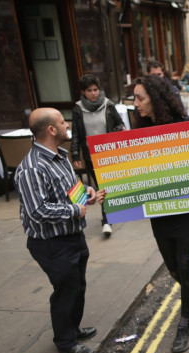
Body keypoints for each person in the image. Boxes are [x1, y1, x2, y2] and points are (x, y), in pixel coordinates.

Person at [14, 108, 106, 353]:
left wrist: (86, 193)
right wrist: (75, 209)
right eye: (62, 122)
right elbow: (37, 210)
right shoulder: (32, 168)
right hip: (51, 243)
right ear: (51, 130)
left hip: (72, 235)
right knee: (65, 291)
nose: (67, 125)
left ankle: (73, 329)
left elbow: (70, 189)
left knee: (77, 287)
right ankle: (65, 341)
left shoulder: (60, 155)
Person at [132, 75, 189, 353]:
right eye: (134, 98)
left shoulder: (184, 127)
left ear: (156, 99)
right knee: (173, 267)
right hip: (160, 214)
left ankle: (184, 323)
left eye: (140, 98)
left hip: (186, 213)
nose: (135, 104)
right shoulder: (141, 130)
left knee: (185, 266)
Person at [70, 74, 125, 237]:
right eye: (89, 90)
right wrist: (75, 154)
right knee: (102, 186)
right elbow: (75, 134)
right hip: (90, 155)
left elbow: (119, 124)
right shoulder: (78, 108)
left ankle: (106, 221)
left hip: (108, 153)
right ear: (83, 92)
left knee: (104, 187)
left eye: (96, 89)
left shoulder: (108, 105)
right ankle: (108, 217)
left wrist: (115, 132)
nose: (93, 93)